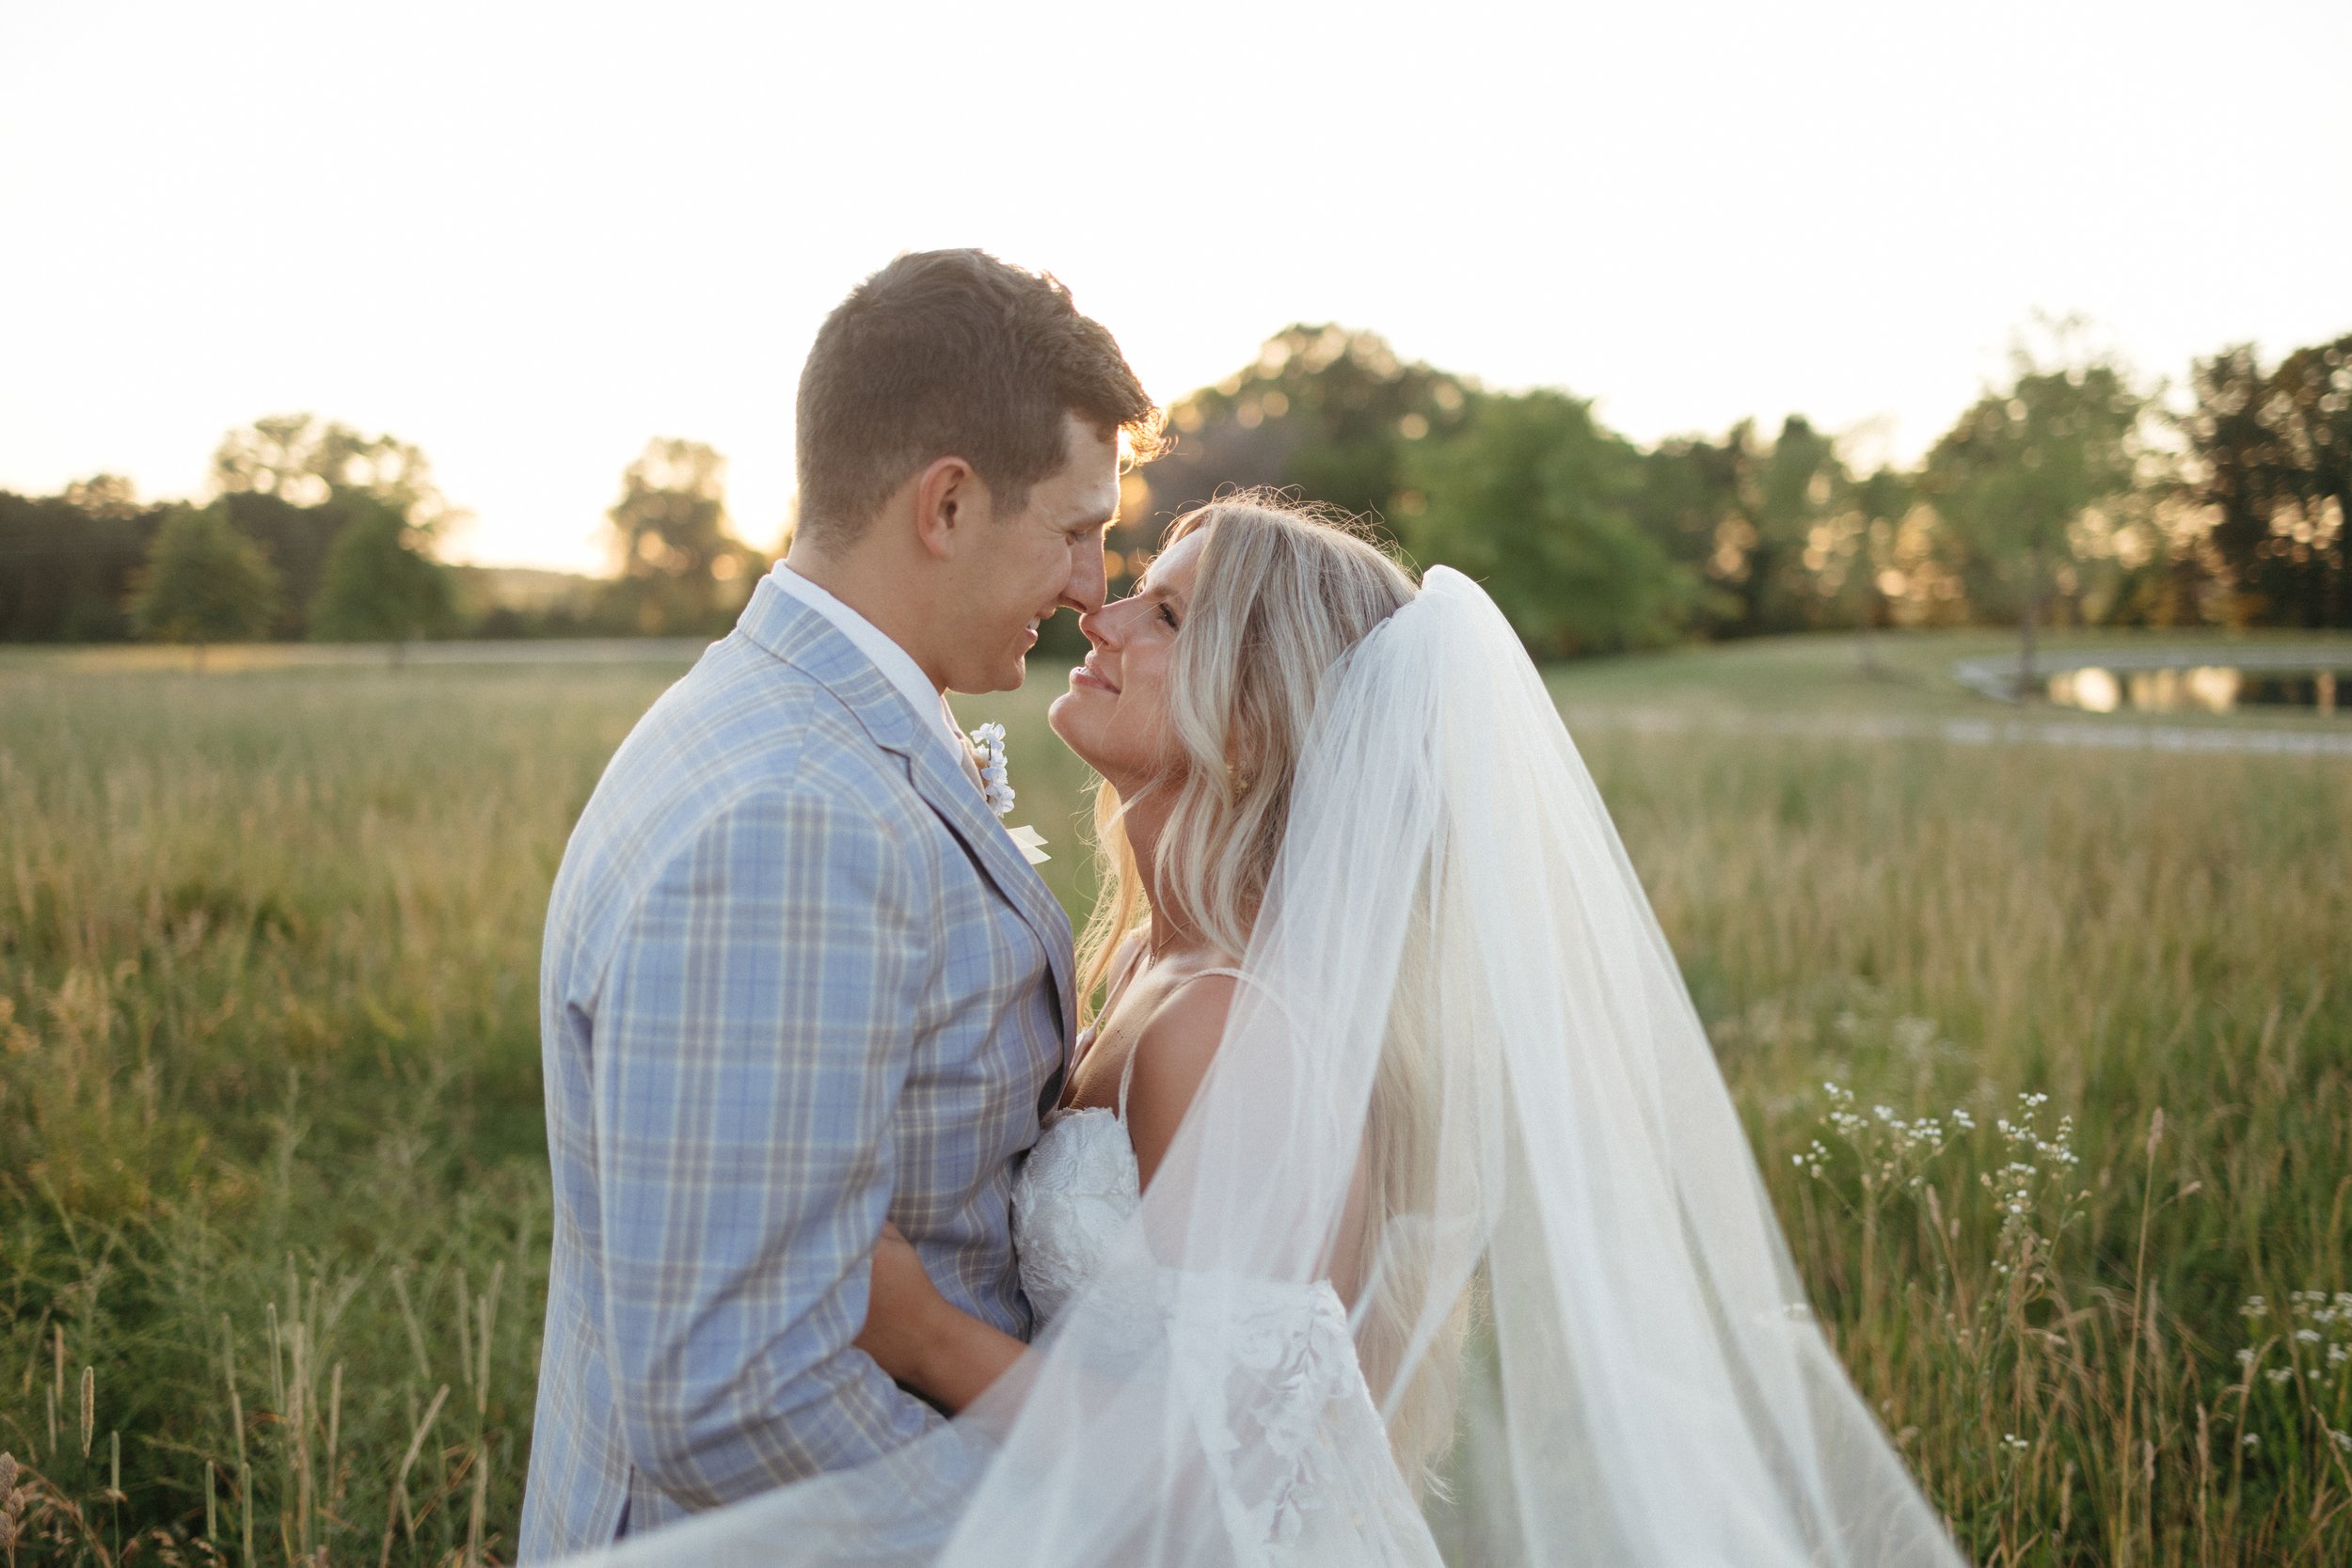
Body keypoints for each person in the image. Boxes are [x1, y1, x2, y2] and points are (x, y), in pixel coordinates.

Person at [560, 493, 1973, 1567]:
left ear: (1251, 717)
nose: (1099, 614)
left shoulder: (1236, 1027)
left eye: (1165, 614)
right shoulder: (1165, 971)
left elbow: (1207, 1470)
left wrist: (920, 1331)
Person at [516, 248, 1160, 1560]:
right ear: (948, 505)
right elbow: (731, 1390)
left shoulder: (810, 721)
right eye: (1079, 530)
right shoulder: (794, 814)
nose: (1094, 589)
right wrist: (1053, 1530)